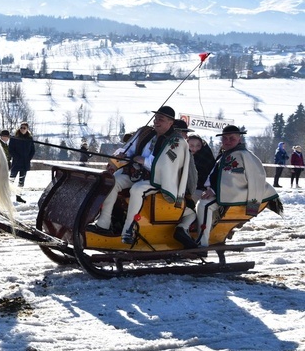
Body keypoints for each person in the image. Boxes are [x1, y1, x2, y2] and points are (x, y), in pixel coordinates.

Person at [90, 106, 190, 245]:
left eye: (160, 119)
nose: (156, 122)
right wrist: (123, 155)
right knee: (111, 182)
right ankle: (103, 223)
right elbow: (130, 149)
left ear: (170, 122)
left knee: (137, 190)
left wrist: (145, 161)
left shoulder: (177, 141)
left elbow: (168, 165)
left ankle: (128, 230)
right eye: (156, 119)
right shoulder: (147, 133)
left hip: (159, 179)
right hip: (136, 172)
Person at [196, 125, 281, 247]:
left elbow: (248, 179)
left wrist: (214, 190)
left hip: (238, 194)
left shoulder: (243, 155)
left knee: (204, 205)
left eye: (232, 138)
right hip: (226, 193)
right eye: (225, 138)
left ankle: (201, 243)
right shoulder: (227, 154)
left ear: (239, 139)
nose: (228, 141)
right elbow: (219, 176)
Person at [8, 122, 35, 203]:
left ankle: (18, 196)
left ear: (27, 129)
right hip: (16, 162)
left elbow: (32, 150)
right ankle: (7, 196)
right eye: (21, 127)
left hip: (25, 163)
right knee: (11, 179)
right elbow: (11, 150)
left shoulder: (29, 139)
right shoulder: (14, 138)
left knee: (21, 180)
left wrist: (28, 159)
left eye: (24, 128)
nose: (22, 129)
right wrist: (17, 157)